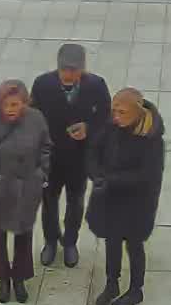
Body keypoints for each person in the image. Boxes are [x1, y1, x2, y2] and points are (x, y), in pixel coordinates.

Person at [0, 79, 51, 304]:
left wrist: (42, 172)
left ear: (24, 103)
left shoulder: (36, 119)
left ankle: (20, 278)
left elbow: (45, 146)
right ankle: (3, 279)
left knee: (23, 236)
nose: (11, 109)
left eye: (16, 104)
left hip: (26, 191)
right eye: (7, 105)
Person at [29, 43, 110, 268]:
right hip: (50, 159)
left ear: (83, 69)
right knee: (49, 202)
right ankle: (51, 241)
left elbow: (106, 118)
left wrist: (88, 128)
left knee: (75, 202)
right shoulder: (43, 84)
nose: (69, 74)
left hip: (79, 158)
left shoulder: (96, 85)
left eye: (74, 70)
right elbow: (32, 118)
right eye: (64, 70)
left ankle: (70, 242)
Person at [86, 87, 165, 305]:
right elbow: (94, 148)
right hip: (110, 198)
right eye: (114, 111)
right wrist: (95, 172)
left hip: (136, 203)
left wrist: (109, 179)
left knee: (134, 245)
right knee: (112, 241)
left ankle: (135, 289)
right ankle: (112, 283)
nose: (116, 117)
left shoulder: (151, 139)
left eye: (122, 112)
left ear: (136, 112)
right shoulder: (112, 125)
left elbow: (146, 175)